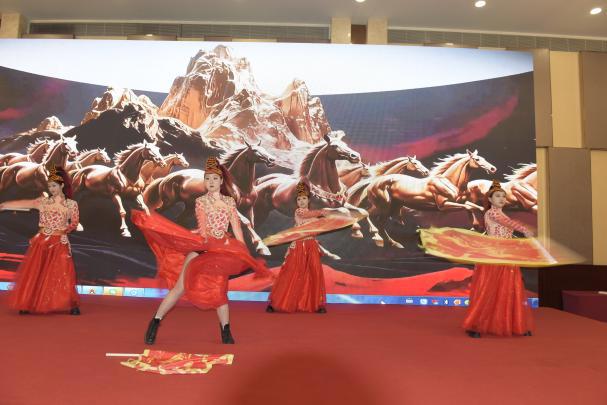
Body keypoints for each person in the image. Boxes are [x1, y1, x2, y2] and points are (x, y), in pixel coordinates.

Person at [132, 156, 271, 345]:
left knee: (220, 291)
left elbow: (237, 229)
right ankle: (155, 322)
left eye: (215, 179)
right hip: (203, 247)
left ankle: (226, 331)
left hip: (222, 251)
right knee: (180, 287)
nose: (211, 182)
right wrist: (209, 237)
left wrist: (241, 251)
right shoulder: (201, 202)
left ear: (221, 181)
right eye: (208, 179)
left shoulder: (229, 202)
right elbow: (203, 229)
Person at [0, 166, 80, 315]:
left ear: (62, 185)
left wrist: (63, 232)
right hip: (42, 241)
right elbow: (20, 203)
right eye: (49, 186)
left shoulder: (71, 204)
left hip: (60, 241)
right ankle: (27, 302)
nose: (51, 189)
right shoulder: (42, 202)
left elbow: (74, 223)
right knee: (36, 271)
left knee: (63, 272)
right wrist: (3, 206)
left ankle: (71, 304)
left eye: (54, 186)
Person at [463, 180, 534, 338]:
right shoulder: (491, 213)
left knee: (510, 290)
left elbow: (507, 226)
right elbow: (508, 223)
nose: (501, 199)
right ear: (490, 199)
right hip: (494, 256)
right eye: (497, 196)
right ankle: (475, 325)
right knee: (489, 290)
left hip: (506, 256)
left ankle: (515, 325)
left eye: (503, 196)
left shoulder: (502, 213)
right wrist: (524, 229)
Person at [266, 182, 329, 314]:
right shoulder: (299, 212)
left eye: (304, 198)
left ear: (309, 200)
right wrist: (322, 213)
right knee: (291, 273)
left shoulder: (313, 214)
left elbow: (318, 227)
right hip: (299, 245)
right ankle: (277, 303)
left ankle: (316, 304)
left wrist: (323, 217)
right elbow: (308, 219)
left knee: (313, 274)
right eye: (299, 199)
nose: (301, 201)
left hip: (311, 245)